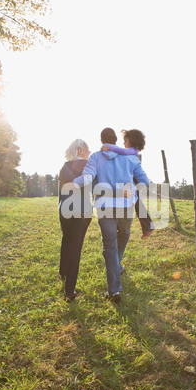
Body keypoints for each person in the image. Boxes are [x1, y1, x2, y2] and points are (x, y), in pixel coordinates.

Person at [73, 127, 150, 304]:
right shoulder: (131, 157)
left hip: (104, 206)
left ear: (102, 141)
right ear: (117, 140)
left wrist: (73, 183)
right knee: (123, 236)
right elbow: (144, 182)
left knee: (110, 246)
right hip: (126, 206)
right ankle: (116, 269)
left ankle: (114, 291)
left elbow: (86, 179)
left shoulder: (95, 157)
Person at [101, 129, 154, 239]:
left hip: (134, 178)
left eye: (125, 141)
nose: (124, 144)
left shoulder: (130, 151)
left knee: (136, 200)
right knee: (138, 202)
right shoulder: (133, 152)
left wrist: (108, 147)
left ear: (131, 141)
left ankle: (148, 226)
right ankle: (147, 226)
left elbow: (121, 151)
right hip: (134, 179)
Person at [58, 139, 92, 303]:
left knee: (66, 240)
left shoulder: (64, 167)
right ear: (80, 150)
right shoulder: (89, 165)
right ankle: (70, 291)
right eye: (87, 149)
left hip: (64, 209)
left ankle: (63, 273)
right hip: (82, 211)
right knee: (75, 248)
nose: (90, 152)